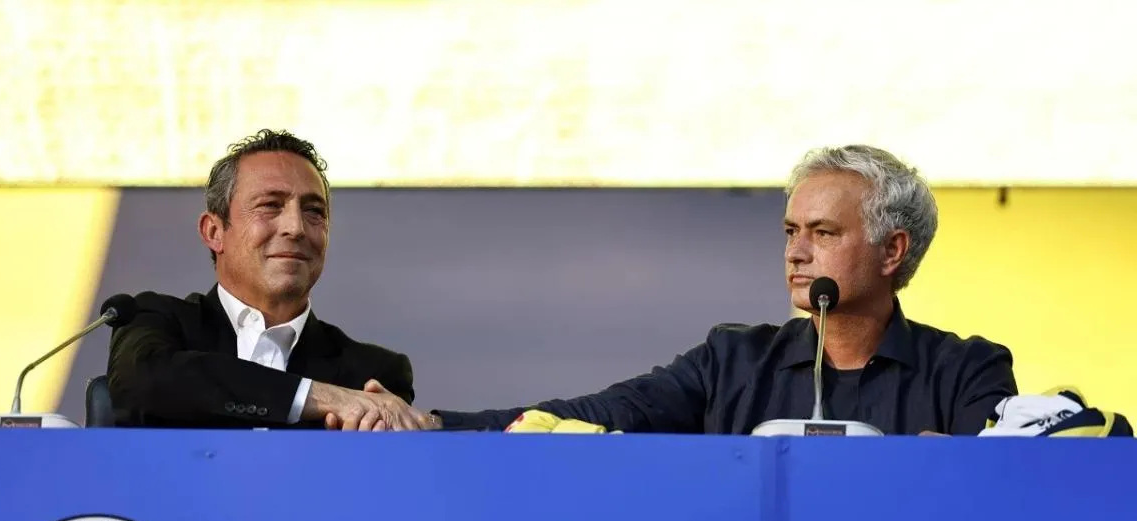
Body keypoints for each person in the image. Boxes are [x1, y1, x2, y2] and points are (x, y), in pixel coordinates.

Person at [390, 144, 1017, 435]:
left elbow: (1004, 493)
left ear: (893, 250)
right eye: (791, 231)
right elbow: (601, 414)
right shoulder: (733, 360)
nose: (796, 252)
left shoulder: (967, 370)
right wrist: (433, 424)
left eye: (823, 232)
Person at [108, 129, 431, 430]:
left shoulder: (371, 376)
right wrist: (323, 397)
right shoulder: (154, 322)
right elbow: (143, 382)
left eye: (313, 211)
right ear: (214, 231)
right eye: (270, 206)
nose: (296, 228)